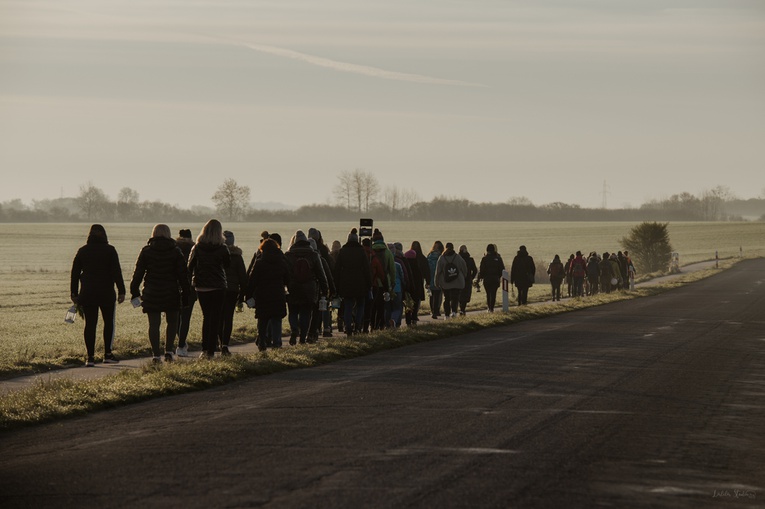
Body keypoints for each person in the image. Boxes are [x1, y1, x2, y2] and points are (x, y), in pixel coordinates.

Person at [129, 224, 190, 363]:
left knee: (154, 324)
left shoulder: (146, 251)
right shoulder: (176, 251)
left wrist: (134, 291)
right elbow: (182, 275)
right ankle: (168, 351)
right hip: (171, 291)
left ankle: (156, 355)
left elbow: (138, 273)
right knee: (172, 322)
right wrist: (186, 293)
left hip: (151, 291)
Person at [70, 224, 126, 366]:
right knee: (108, 323)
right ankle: (107, 354)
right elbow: (116, 272)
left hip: (88, 292)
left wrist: (74, 293)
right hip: (106, 291)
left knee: (90, 324)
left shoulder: (82, 251)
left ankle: (90, 357)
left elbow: (75, 273)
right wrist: (122, 291)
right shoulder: (110, 250)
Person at [187, 219, 230, 359]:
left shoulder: (197, 247)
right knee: (216, 318)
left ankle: (205, 349)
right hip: (218, 286)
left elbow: (190, 266)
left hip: (202, 286)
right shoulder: (223, 248)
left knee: (206, 317)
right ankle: (211, 350)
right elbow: (227, 265)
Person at [285, 230, 328, 345]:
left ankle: (294, 329)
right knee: (306, 313)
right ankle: (303, 338)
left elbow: (285, 273)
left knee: (293, 311)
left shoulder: (288, 255)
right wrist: (325, 290)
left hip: (293, 288)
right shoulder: (313, 254)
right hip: (310, 288)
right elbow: (321, 273)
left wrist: (285, 286)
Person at [246, 238, 289, 350]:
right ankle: (277, 343)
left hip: (263, 295)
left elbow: (252, 281)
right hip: (278, 294)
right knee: (276, 320)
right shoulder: (282, 262)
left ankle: (262, 342)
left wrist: (248, 295)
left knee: (262, 320)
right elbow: (288, 279)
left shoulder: (259, 263)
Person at [333, 228, 372, 336]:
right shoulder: (361, 252)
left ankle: (348, 326)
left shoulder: (342, 251)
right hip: (360, 283)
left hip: (346, 283)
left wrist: (336, 285)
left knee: (348, 305)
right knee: (360, 305)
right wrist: (369, 284)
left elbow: (337, 269)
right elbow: (367, 269)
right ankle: (358, 326)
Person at [219, 230, 247, 356]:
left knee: (218, 317)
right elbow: (242, 276)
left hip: (219, 288)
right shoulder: (237, 256)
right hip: (232, 290)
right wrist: (243, 294)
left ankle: (219, 342)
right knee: (228, 317)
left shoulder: (218, 254)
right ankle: (225, 344)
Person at [175, 229, 196, 357]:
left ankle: (180, 340)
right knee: (186, 317)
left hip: (175, 286)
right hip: (190, 287)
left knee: (176, 316)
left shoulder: (173, 249)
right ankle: (181, 344)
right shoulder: (194, 249)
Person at [435, 242, 468, 318]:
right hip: (457, 282)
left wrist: (436, 282)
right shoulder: (458, 257)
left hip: (445, 282)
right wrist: (464, 276)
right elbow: (464, 268)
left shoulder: (442, 258)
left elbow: (438, 271)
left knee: (446, 298)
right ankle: (454, 312)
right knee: (455, 298)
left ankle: (446, 315)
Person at [478, 244, 504, 312]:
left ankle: (489, 307)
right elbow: (502, 269)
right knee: (493, 293)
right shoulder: (498, 258)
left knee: (488, 293)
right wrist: (498, 276)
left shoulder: (484, 258)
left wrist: (481, 277)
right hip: (495, 279)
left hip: (487, 279)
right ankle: (492, 308)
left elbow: (481, 270)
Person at [457, 245, 478, 316]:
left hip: (458, 280)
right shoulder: (470, 259)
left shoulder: (457, 259)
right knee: (465, 295)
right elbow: (475, 270)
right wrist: (471, 278)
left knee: (459, 295)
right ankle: (463, 309)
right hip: (467, 280)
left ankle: (461, 309)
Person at [426, 241, 445, 319]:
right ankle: (436, 310)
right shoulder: (441, 256)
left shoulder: (429, 255)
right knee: (438, 295)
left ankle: (432, 310)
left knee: (431, 296)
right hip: (438, 278)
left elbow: (426, 268)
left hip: (430, 278)